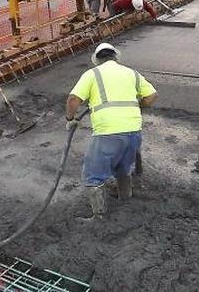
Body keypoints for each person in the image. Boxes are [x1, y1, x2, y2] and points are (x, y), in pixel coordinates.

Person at [66, 42, 157, 218]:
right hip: (133, 131)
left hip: (108, 132)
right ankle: (125, 198)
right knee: (124, 168)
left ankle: (99, 216)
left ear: (97, 60)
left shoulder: (92, 74)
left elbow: (72, 100)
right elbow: (152, 96)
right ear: (116, 57)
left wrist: (70, 120)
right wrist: (137, 106)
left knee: (93, 175)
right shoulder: (131, 73)